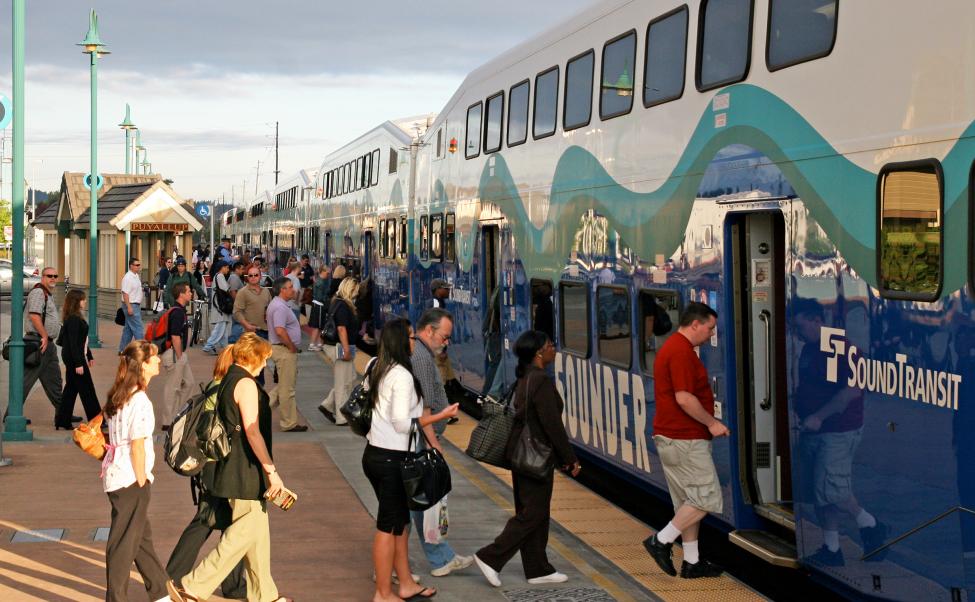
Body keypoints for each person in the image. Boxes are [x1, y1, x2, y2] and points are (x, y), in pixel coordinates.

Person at [167, 334, 294, 602]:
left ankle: (266, 596)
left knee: (258, 536)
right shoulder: (245, 384)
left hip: (234, 467)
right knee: (243, 533)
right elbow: (252, 431)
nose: (265, 364)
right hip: (244, 469)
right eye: (264, 359)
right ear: (255, 357)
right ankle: (193, 586)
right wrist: (271, 470)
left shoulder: (229, 379)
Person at [474, 331, 581, 588]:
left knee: (535, 513)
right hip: (535, 456)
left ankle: (537, 568)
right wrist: (570, 458)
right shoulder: (540, 380)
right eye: (550, 345)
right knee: (533, 514)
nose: (554, 348)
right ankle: (490, 557)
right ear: (539, 353)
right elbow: (551, 424)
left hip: (521, 454)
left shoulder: (526, 377)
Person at [363, 318, 459, 602]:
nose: (414, 341)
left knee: (400, 523)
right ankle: (382, 593)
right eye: (410, 337)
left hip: (375, 454)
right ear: (401, 341)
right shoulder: (402, 376)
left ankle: (405, 583)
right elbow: (403, 423)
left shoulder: (376, 366)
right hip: (393, 459)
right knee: (388, 526)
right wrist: (442, 416)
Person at [793, 299, 886, 566]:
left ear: (816, 321)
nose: (798, 333)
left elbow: (852, 391)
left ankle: (870, 524)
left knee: (832, 488)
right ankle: (832, 548)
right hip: (815, 430)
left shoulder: (842, 349)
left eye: (801, 327)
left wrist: (819, 417)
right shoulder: (811, 348)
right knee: (822, 492)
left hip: (838, 430)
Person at [642, 301, 728, 579]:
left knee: (687, 502)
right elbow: (684, 398)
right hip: (684, 439)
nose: (711, 334)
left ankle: (692, 562)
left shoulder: (675, 348)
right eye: (710, 328)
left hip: (673, 437)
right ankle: (661, 541)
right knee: (706, 498)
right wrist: (712, 423)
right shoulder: (680, 352)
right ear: (695, 324)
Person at [166, 347, 246, 599]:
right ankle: (229, 585)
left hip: (210, 466)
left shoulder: (215, 385)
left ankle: (176, 573)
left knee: (216, 522)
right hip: (221, 466)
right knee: (219, 523)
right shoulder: (229, 390)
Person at [102, 340, 170, 602]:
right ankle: (116, 598)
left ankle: (161, 592)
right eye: (153, 358)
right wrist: (142, 479)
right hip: (131, 478)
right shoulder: (139, 400)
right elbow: (138, 445)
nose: (158, 361)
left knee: (141, 538)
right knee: (123, 544)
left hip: (116, 474)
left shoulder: (121, 392)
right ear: (142, 365)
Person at [410, 308, 473, 576]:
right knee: (418, 502)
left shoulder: (420, 352)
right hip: (420, 442)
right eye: (444, 337)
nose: (446, 342)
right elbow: (423, 407)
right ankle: (396, 566)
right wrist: (434, 444)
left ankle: (441, 558)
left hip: (416, 440)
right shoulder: (422, 359)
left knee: (419, 503)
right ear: (429, 331)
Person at [8, 266, 70, 424]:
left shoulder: (47, 294)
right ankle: (11, 415)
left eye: (56, 276)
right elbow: (34, 315)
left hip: (47, 345)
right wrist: (43, 335)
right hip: (38, 343)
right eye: (49, 275)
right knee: (25, 382)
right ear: (42, 277)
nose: (53, 278)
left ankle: (62, 414)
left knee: (54, 380)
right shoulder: (38, 292)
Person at [266, 277, 308, 432]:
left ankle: (259, 411)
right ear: (282, 290)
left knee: (283, 386)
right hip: (284, 350)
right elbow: (279, 330)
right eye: (290, 287)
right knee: (287, 389)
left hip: (282, 349)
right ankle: (288, 422)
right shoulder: (279, 307)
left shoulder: (279, 305)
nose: (293, 290)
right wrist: (291, 346)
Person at [318, 277, 360, 425]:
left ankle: (328, 404)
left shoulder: (338, 302)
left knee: (349, 378)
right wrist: (346, 349)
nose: (357, 293)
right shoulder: (342, 305)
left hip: (341, 346)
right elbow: (341, 328)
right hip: (340, 347)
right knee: (343, 381)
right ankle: (341, 417)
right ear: (350, 289)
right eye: (356, 290)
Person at [55, 289, 99, 429]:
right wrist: (79, 363)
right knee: (87, 390)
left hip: (76, 357)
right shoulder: (74, 319)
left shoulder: (74, 316)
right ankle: (96, 420)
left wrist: (89, 355)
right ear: (76, 301)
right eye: (83, 299)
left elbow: (82, 341)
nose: (85, 301)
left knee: (71, 390)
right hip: (75, 359)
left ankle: (62, 420)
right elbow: (73, 343)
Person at [160, 282, 196, 430]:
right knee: (172, 387)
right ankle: (168, 421)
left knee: (189, 383)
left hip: (179, 354)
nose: (191, 294)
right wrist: (180, 356)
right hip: (175, 354)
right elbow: (175, 336)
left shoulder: (180, 310)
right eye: (188, 291)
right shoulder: (177, 312)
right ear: (181, 294)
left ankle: (179, 414)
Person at [202, 261, 232, 355]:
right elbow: (226, 289)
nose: (228, 269)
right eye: (227, 267)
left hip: (218, 306)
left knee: (222, 331)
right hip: (220, 307)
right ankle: (209, 346)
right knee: (220, 328)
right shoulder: (220, 276)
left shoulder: (216, 275)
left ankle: (225, 349)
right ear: (222, 267)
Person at [119, 257, 146, 353]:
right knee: (138, 328)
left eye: (139, 265)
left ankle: (122, 350)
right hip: (131, 305)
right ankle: (143, 350)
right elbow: (125, 293)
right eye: (137, 265)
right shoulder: (128, 277)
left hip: (135, 305)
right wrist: (129, 307)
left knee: (128, 329)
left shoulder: (136, 276)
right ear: (131, 266)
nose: (139, 267)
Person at [227, 262, 246, 344]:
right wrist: (237, 304)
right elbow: (233, 292)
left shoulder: (235, 277)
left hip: (236, 304)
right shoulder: (234, 278)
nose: (243, 271)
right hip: (236, 305)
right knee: (238, 323)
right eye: (242, 269)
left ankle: (233, 340)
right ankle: (233, 341)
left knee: (237, 323)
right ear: (237, 269)